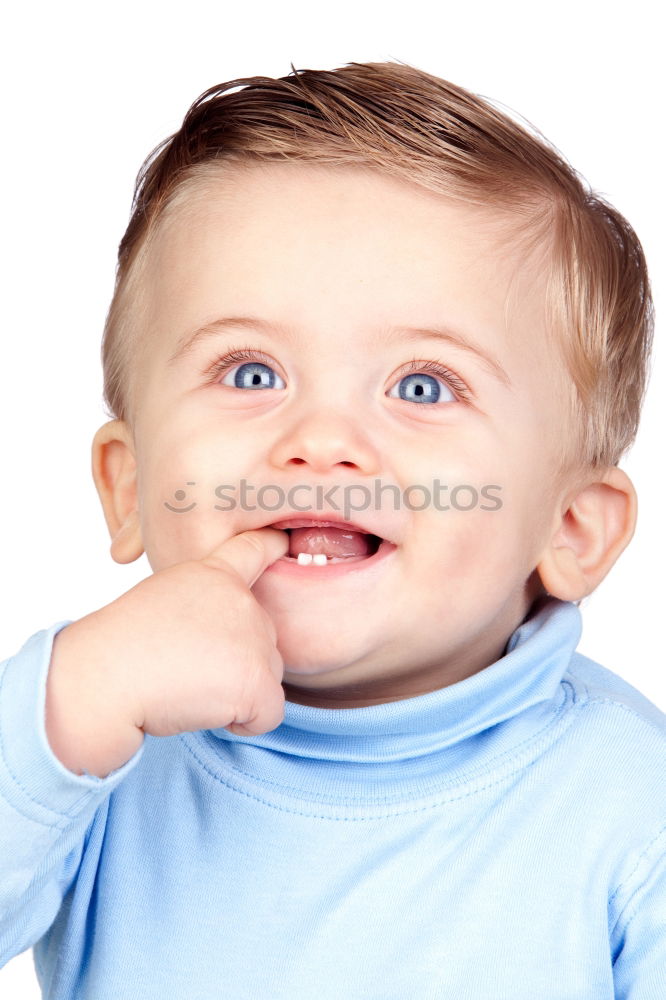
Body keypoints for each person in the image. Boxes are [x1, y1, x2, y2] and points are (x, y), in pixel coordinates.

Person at [0, 60, 663, 998]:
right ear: (130, 485)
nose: (320, 442)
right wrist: (65, 708)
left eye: (422, 386)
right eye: (251, 373)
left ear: (570, 527)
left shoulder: (634, 806)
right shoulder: (91, 749)